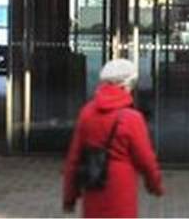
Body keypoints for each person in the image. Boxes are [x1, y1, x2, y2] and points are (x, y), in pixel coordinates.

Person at [61, 56, 164, 218]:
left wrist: (69, 196)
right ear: (127, 85)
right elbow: (145, 158)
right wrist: (155, 184)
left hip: (93, 187)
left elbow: (74, 158)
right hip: (121, 192)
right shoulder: (132, 118)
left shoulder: (87, 112)